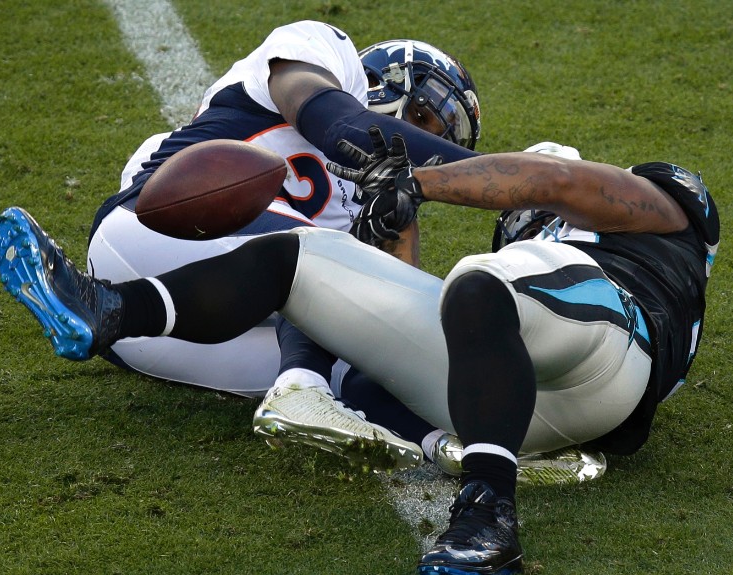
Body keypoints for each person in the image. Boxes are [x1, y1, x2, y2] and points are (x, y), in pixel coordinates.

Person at [0, 125, 720, 575]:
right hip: (523, 406)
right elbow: (395, 342)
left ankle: (488, 515)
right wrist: (392, 219)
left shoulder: (661, 226)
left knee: (476, 282)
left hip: (616, 343)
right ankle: (109, 309)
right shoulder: (500, 303)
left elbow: (557, 183)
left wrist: (420, 182)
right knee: (300, 257)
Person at [71, 21, 483, 471]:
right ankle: (300, 389)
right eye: (424, 119)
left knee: (365, 351)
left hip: (158, 339)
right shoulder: (324, 53)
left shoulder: (383, 206)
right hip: (155, 233)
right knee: (328, 262)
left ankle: (462, 451)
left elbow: (391, 330)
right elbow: (340, 123)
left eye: (437, 139)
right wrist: (499, 177)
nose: (425, 144)